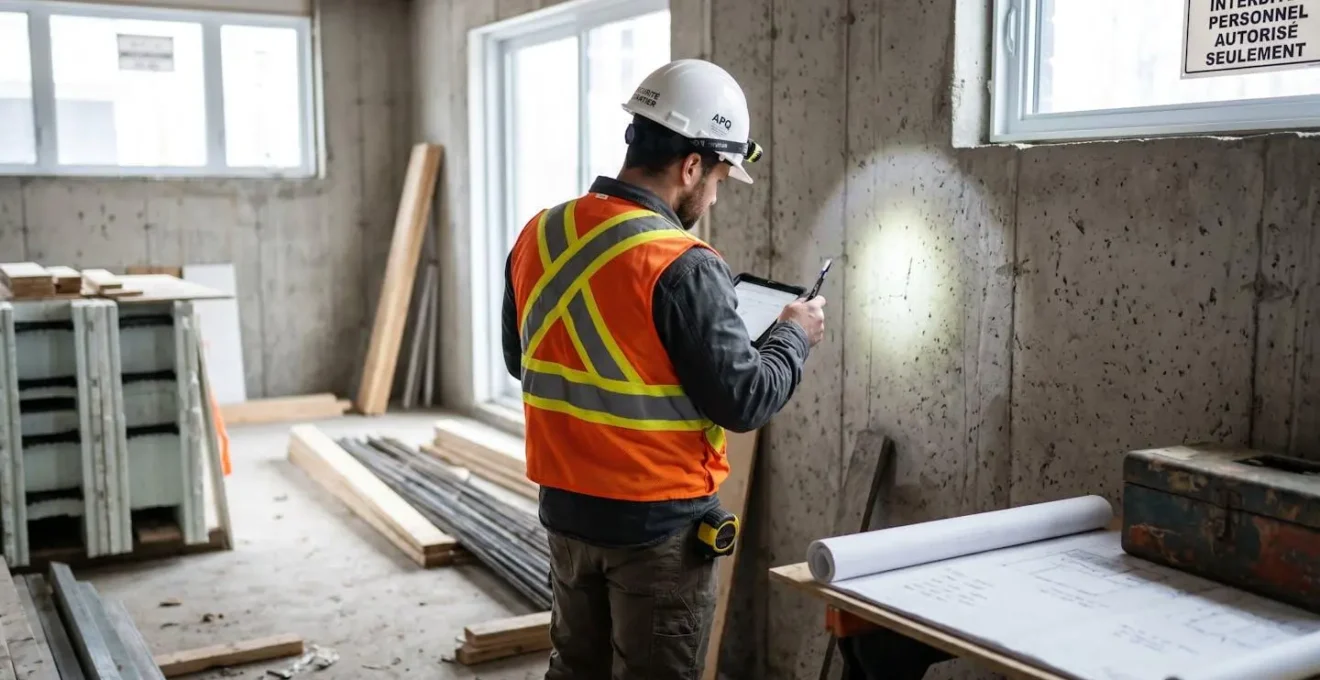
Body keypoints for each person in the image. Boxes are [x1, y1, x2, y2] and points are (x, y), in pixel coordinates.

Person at [501, 58, 826, 680]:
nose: (714, 194)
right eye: (721, 177)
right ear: (692, 165)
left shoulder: (539, 233)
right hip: (656, 532)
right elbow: (745, 399)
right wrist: (792, 334)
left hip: (566, 516)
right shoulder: (681, 262)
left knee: (575, 669)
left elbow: (524, 360)